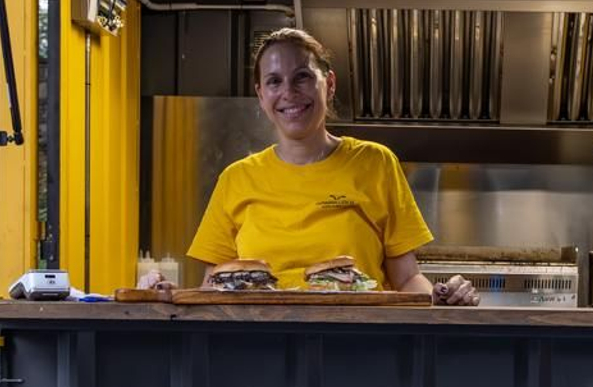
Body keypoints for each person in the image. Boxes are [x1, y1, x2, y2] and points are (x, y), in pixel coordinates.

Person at [176, 27, 478, 305]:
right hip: (261, 344)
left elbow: (406, 277)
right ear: (261, 95)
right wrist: (163, 294)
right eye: (274, 81)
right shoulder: (237, 178)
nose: (288, 92)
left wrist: (441, 299)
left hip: (360, 340)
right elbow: (213, 287)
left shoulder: (375, 162)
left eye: (302, 76)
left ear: (329, 84)